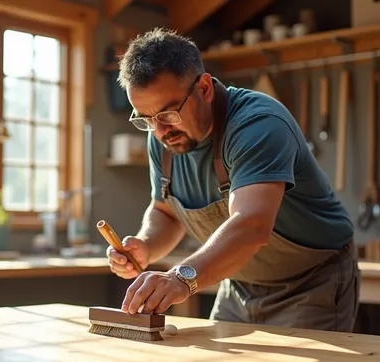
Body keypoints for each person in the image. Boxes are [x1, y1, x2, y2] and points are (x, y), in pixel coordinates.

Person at [106, 28, 360, 332]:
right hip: (238, 282)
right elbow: (166, 211)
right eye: (145, 119)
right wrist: (146, 245)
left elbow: (251, 225)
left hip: (310, 283)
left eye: (169, 113)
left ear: (204, 88)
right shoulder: (163, 138)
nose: (160, 130)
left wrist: (180, 278)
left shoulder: (258, 124)